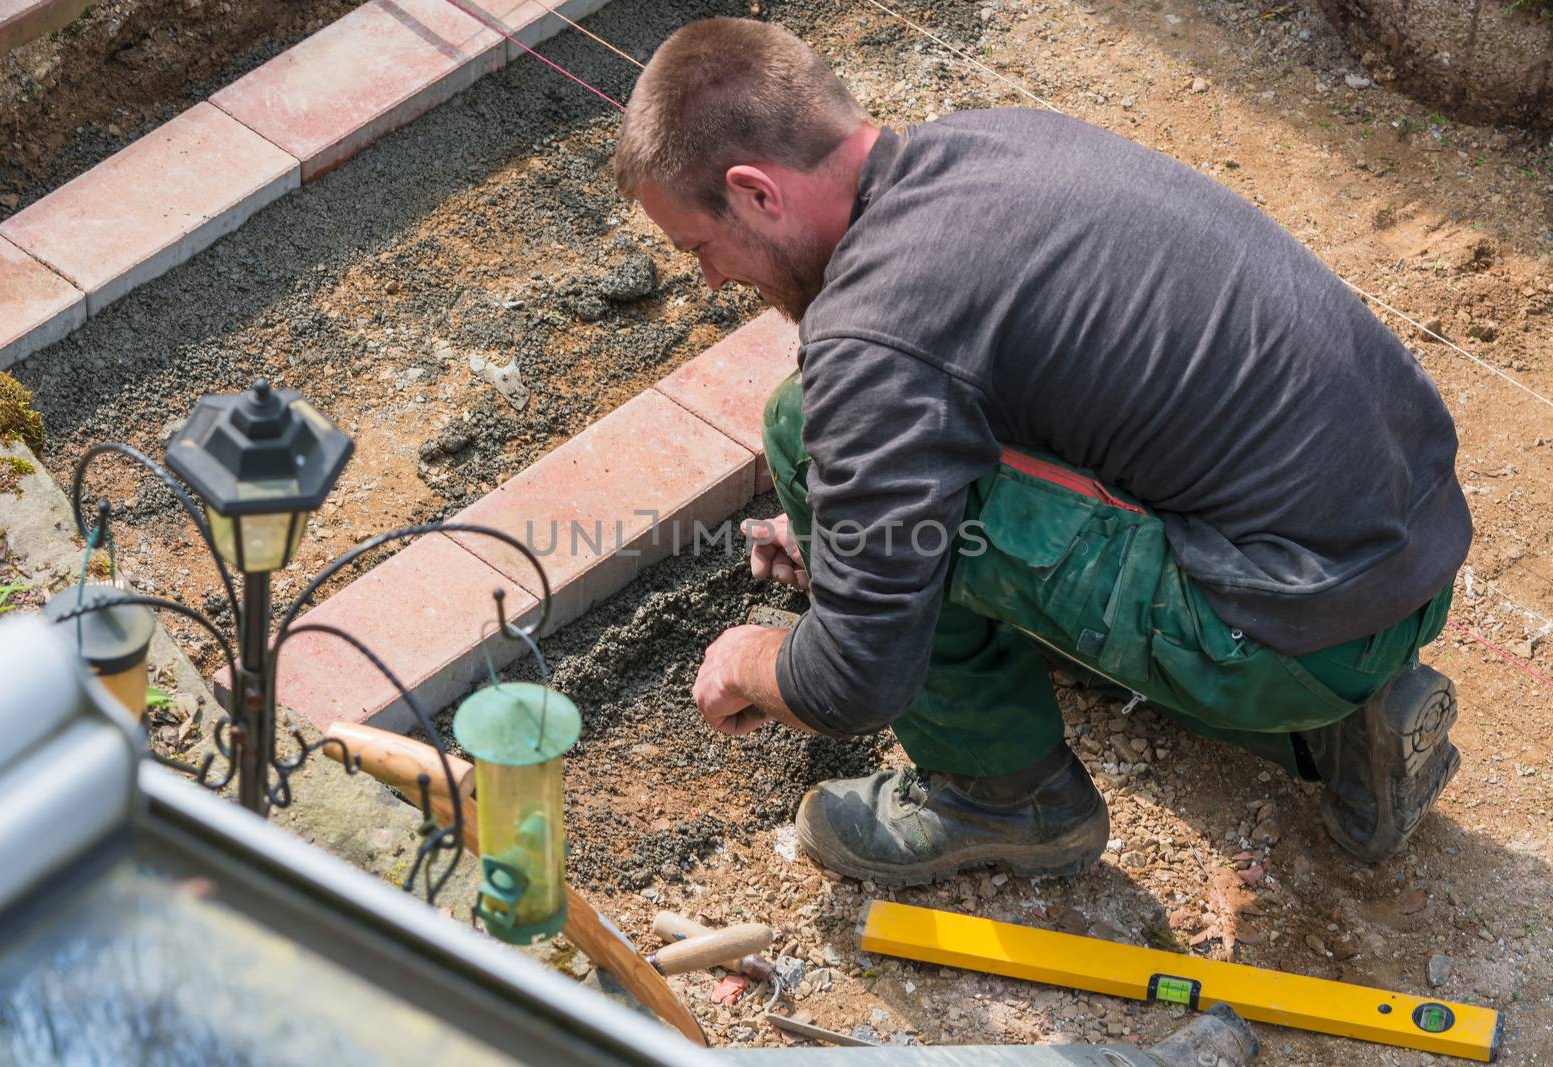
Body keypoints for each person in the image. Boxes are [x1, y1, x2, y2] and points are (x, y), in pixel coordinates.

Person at [612, 17, 1471, 885]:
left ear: (757, 192)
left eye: (699, 247)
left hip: (1288, 631)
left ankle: (1001, 797)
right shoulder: (989, 141)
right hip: (1402, 554)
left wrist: (753, 661)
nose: (713, 280)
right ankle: (1340, 728)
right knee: (907, 496)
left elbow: (854, 679)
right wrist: (853, 532)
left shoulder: (873, 339)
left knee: (803, 430)